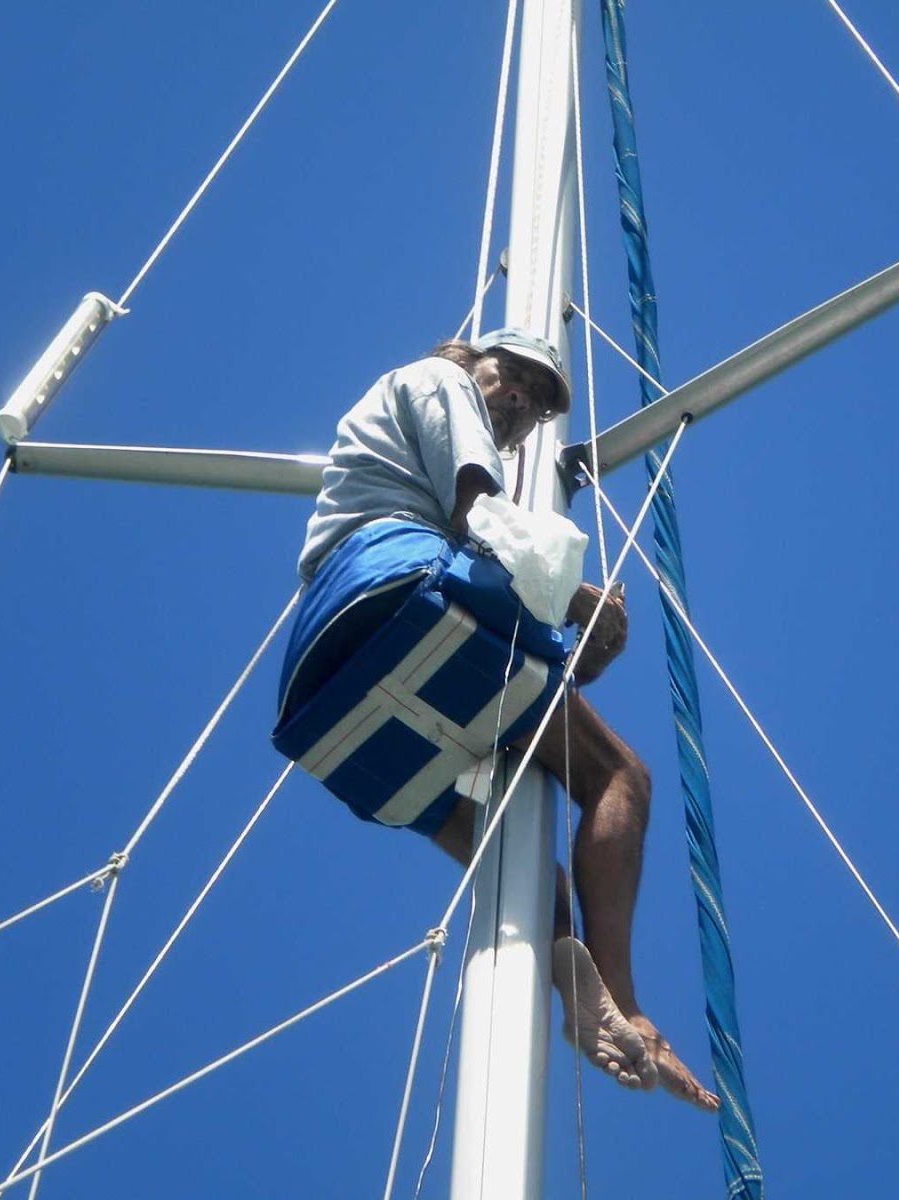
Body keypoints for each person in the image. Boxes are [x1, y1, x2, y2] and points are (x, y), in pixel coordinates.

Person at [274, 328, 718, 1113]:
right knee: (620, 775)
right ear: (469, 359)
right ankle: (628, 1001)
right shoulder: (438, 381)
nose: (521, 398)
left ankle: (575, 980)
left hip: (326, 697)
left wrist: (574, 646)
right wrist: (573, 597)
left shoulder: (410, 425)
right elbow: (479, 514)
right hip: (398, 593)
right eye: (512, 374)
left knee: (532, 880)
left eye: (540, 401)